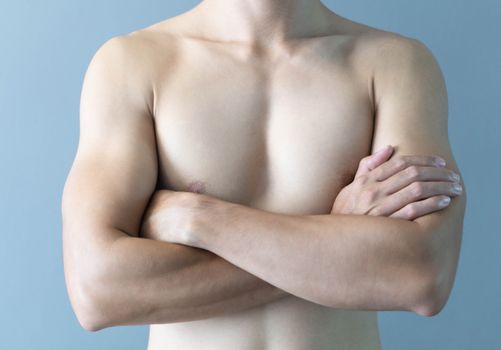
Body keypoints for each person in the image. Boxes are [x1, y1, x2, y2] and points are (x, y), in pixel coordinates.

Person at [61, 0, 466, 349]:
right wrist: (335, 234)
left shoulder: (395, 65)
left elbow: (420, 275)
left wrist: (200, 219)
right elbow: (97, 290)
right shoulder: (134, 65)